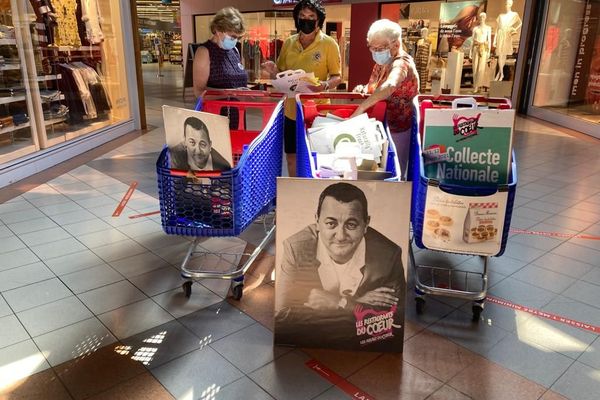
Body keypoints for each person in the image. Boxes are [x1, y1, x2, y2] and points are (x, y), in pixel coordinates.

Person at [275, 182, 405, 349]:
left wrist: (340, 303)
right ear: (317, 221)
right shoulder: (296, 248)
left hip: (361, 350)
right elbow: (281, 318)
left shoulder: (388, 255)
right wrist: (359, 304)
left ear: (366, 224)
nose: (341, 236)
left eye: (351, 225)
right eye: (331, 223)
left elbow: (394, 324)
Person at [261, 0, 341, 177]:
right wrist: (273, 71)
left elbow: (337, 76)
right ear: (297, 19)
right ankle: (296, 189)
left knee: (316, 155)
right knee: (292, 155)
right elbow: (280, 73)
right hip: (291, 110)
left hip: (317, 110)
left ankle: (312, 191)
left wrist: (325, 85)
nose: (307, 20)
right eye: (303, 16)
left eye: (311, 16)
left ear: (319, 20)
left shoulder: (329, 44)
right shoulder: (289, 43)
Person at [351, 19, 419, 179]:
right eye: (371, 47)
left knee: (395, 174)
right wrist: (364, 89)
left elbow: (390, 85)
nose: (374, 52)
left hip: (397, 130)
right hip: (377, 128)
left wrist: (361, 108)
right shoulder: (381, 63)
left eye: (379, 48)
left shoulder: (402, 63)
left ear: (395, 45)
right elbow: (375, 87)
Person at [192, 7, 247, 128]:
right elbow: (198, 92)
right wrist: (230, 93)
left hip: (237, 115)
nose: (235, 40)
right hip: (215, 117)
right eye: (232, 36)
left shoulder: (235, 50)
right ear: (218, 30)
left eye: (238, 37)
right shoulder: (204, 52)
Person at [493, 0, 522, 81]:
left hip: (507, 34)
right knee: (500, 54)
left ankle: (500, 74)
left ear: (511, 5)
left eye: (508, 4)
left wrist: (513, 29)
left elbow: (520, 23)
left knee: (503, 54)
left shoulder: (514, 14)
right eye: (506, 3)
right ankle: (501, 73)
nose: (507, 5)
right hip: (500, 34)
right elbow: (497, 28)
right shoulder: (501, 16)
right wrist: (495, 40)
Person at [470, 12, 491, 93]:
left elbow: (489, 40)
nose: (482, 18)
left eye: (483, 17)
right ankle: (475, 85)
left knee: (481, 68)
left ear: (485, 18)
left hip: (484, 48)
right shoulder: (475, 29)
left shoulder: (488, 28)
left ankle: (478, 86)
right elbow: (472, 40)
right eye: (480, 17)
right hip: (476, 47)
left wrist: (488, 51)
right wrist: (470, 52)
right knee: (474, 67)